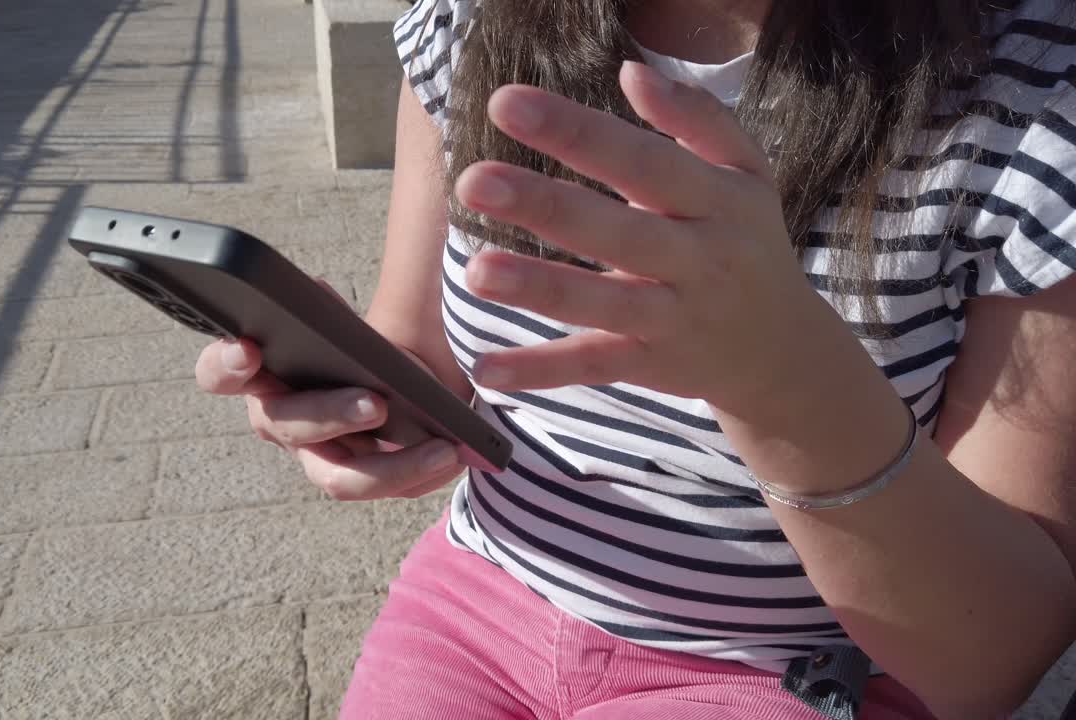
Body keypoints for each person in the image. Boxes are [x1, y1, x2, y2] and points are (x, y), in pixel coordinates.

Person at [196, 0, 1076, 717]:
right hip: (481, 591)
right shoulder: (474, 19)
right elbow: (420, 348)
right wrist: (356, 395)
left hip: (785, 665)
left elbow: (992, 659)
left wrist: (785, 384)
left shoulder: (1035, 83)